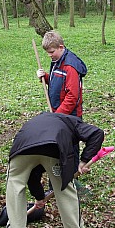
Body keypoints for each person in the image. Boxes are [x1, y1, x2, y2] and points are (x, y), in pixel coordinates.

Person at [0, 112, 104, 228]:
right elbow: (97, 133)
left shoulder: (39, 121)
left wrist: (39, 197)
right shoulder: (73, 122)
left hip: (23, 148)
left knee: (15, 184)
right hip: (53, 148)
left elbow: (32, 173)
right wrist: (83, 161)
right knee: (65, 189)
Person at [36, 30, 89, 196]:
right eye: (47, 53)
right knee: (58, 148)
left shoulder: (70, 67)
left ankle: (70, 183)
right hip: (59, 115)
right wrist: (45, 76)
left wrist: (57, 116)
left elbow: (72, 96)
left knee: (69, 149)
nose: (49, 56)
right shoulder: (58, 60)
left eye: (51, 52)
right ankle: (57, 182)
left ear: (61, 47)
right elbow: (56, 82)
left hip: (69, 116)